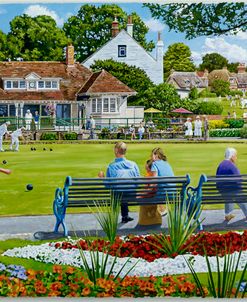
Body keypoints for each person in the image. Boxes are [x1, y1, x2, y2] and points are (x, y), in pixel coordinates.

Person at [98, 141, 140, 223]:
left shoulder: (111, 166)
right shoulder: (133, 164)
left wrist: (102, 177)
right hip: (132, 195)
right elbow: (138, 182)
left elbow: (108, 186)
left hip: (118, 196)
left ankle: (114, 217)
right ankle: (125, 216)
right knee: (123, 190)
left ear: (116, 150)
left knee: (117, 190)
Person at [216, 147, 247, 222]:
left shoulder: (221, 164)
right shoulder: (232, 166)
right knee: (240, 197)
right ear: (232, 156)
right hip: (233, 191)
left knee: (229, 196)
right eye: (235, 156)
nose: (236, 158)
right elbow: (239, 180)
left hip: (222, 190)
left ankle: (228, 214)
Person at [150, 147, 175, 214]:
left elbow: (154, 180)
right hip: (173, 192)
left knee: (150, 194)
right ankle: (162, 210)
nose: (150, 157)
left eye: (151, 155)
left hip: (164, 193)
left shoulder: (154, 164)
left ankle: (159, 212)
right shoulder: (166, 163)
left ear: (156, 155)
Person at [138, 159, 162, 226]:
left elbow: (148, 190)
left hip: (150, 196)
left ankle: (145, 220)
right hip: (156, 195)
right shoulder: (156, 174)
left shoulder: (149, 176)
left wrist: (140, 195)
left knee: (140, 196)